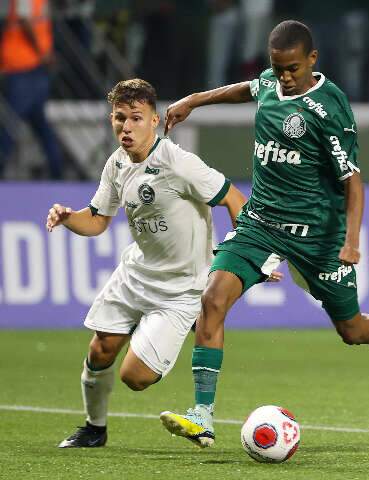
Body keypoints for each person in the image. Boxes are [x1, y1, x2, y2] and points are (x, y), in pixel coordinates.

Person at [159, 20, 369, 448]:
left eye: (293, 68)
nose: (285, 76)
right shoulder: (270, 82)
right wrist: (193, 100)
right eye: (278, 67)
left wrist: (351, 240)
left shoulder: (330, 108)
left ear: (313, 60)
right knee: (211, 301)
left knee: (352, 329)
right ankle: (202, 415)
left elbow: (353, 182)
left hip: (316, 233)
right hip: (260, 223)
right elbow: (245, 88)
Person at [46, 78, 251, 448]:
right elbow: (96, 219)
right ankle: (94, 429)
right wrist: (67, 217)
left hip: (181, 289)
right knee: (100, 349)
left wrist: (245, 254)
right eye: (119, 118)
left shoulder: (179, 163)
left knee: (135, 377)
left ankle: (177, 331)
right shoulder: (117, 164)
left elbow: (235, 199)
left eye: (136, 118)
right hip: (135, 275)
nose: (126, 127)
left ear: (154, 120)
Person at [0, 0, 63, 179]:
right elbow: (28, 20)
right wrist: (43, 53)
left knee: (11, 123)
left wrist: (42, 52)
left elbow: (25, 19)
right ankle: (56, 168)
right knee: (38, 123)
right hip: (31, 66)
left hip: (23, 67)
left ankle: (1, 166)